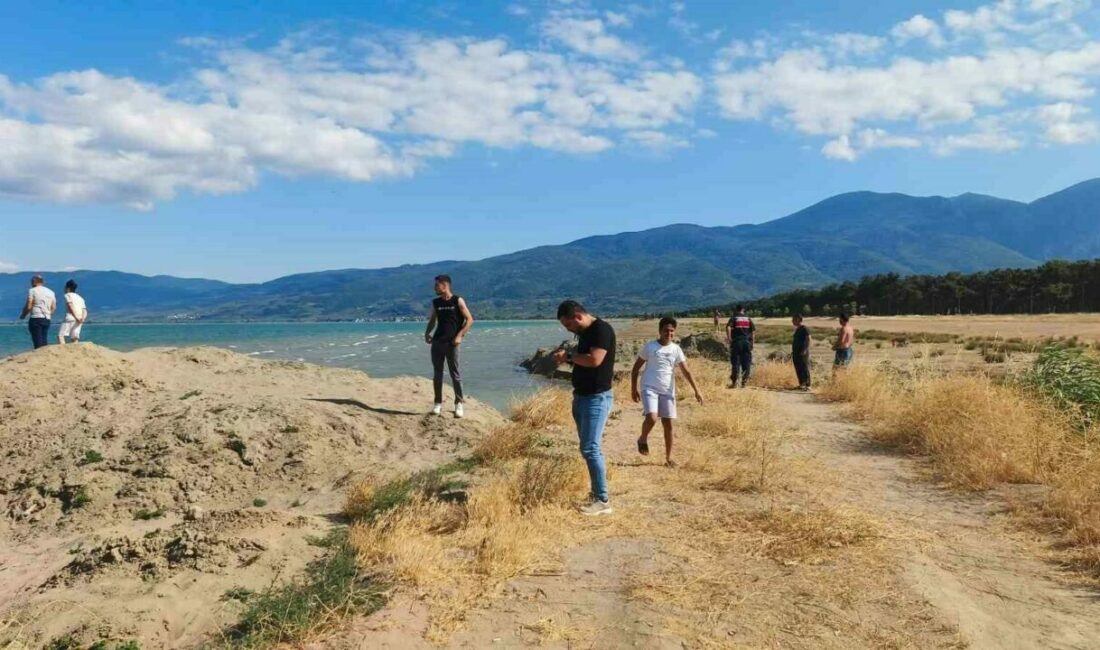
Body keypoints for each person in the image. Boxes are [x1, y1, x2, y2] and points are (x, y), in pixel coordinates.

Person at [553, 300, 616, 516]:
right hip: (582, 396)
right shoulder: (585, 332)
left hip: (596, 398)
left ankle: (602, 500)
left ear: (578, 316)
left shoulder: (601, 330)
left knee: (590, 448)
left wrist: (569, 357)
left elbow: (595, 360)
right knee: (587, 448)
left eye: (569, 324)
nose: (568, 329)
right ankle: (597, 492)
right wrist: (569, 359)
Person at [631, 317, 702, 468]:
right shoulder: (650, 347)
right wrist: (633, 389)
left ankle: (669, 458)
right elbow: (636, 368)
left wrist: (697, 390)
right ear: (659, 331)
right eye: (666, 330)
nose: (669, 333)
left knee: (668, 424)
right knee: (652, 418)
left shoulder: (676, 349)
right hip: (649, 387)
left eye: (671, 331)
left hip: (667, 390)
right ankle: (642, 438)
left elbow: (686, 371)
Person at [424, 274, 474, 418]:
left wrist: (459, 336)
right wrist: (427, 333)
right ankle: (437, 404)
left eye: (437, 285)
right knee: (437, 374)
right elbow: (433, 320)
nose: (434, 288)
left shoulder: (457, 300)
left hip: (452, 343)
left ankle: (459, 404)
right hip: (437, 342)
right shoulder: (436, 302)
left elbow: (470, 320)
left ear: (445, 285)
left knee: (455, 374)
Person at [19, 275, 56, 350]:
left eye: (31, 282)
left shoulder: (32, 290)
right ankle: (45, 355)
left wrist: (23, 315)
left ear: (34, 282)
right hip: (47, 318)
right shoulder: (51, 292)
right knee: (44, 340)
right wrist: (48, 314)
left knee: (37, 341)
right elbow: (53, 307)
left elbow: (29, 306)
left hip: (36, 318)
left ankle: (39, 355)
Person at [725, 304, 755, 388]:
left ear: (736, 309)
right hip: (746, 342)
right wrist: (752, 343)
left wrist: (729, 338)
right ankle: (744, 382)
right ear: (743, 309)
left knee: (736, 362)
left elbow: (728, 327)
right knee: (746, 363)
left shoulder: (734, 318)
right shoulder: (748, 318)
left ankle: (734, 383)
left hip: (736, 342)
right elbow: (753, 332)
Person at [58, 280, 87, 345]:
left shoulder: (67, 295)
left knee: (61, 336)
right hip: (80, 319)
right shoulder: (80, 298)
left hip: (70, 317)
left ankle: (63, 350)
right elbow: (85, 310)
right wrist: (82, 319)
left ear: (68, 288)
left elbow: (70, 306)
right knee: (75, 338)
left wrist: (76, 317)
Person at [791, 314, 812, 391]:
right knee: (798, 368)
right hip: (796, 352)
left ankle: (808, 385)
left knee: (804, 367)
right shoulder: (797, 329)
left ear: (798, 319)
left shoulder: (804, 328)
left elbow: (809, 339)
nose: (792, 321)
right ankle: (802, 384)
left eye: (794, 319)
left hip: (803, 352)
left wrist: (805, 349)